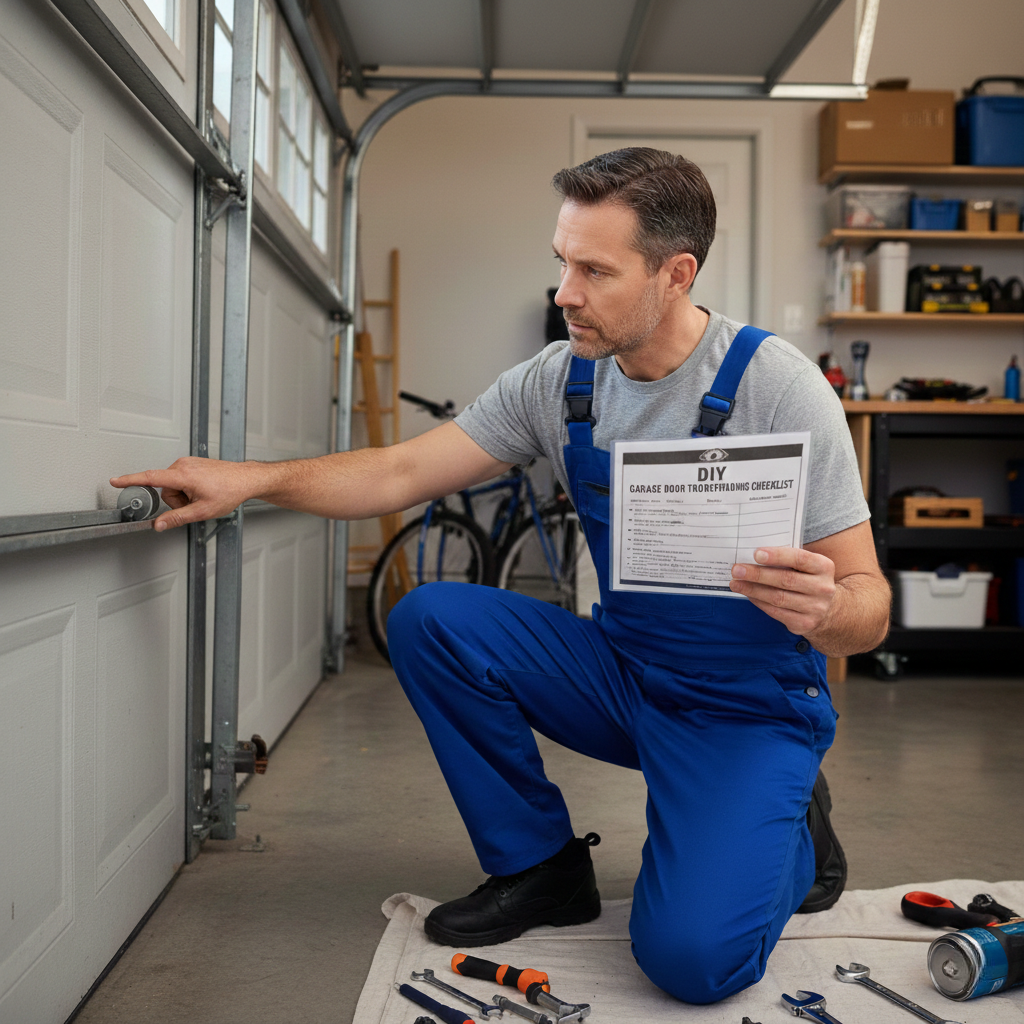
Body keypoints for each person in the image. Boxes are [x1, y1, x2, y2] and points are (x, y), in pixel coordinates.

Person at [112, 148, 890, 1005]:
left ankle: (798, 837)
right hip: (624, 673)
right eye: (562, 260)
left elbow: (870, 606)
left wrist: (828, 609)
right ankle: (541, 866)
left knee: (692, 963)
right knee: (431, 617)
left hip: (744, 704)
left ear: (677, 273)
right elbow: (401, 472)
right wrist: (254, 480)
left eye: (595, 269)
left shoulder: (777, 388)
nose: (565, 291)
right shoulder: (560, 384)